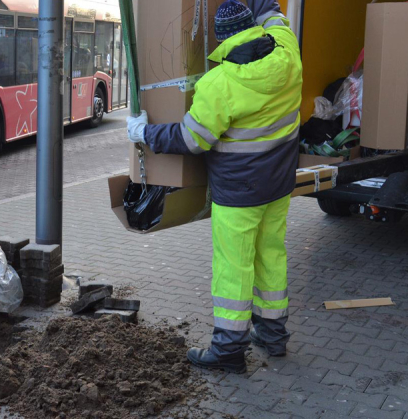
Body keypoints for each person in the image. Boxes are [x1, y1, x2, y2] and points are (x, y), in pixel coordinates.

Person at [127, 0, 302, 373]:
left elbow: (193, 140)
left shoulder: (219, 83)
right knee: (271, 255)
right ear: (253, 26)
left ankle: (228, 351)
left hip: (240, 193)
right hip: (279, 184)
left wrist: (144, 132)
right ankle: (273, 335)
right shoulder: (288, 49)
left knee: (233, 269)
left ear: (222, 39)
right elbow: (270, 9)